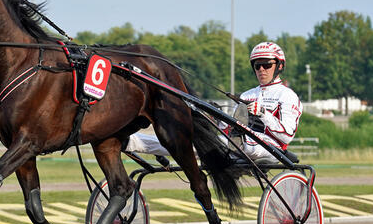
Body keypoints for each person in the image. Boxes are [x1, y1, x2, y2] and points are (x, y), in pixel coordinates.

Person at [124, 42, 303, 161]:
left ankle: (237, 142)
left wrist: (263, 114)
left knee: (225, 141)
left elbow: (286, 136)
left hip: (271, 148)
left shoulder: (287, 96)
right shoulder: (248, 95)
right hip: (236, 142)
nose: (261, 69)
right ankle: (132, 141)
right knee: (187, 141)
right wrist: (216, 120)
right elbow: (230, 127)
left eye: (267, 65)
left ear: (279, 66)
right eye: (257, 65)